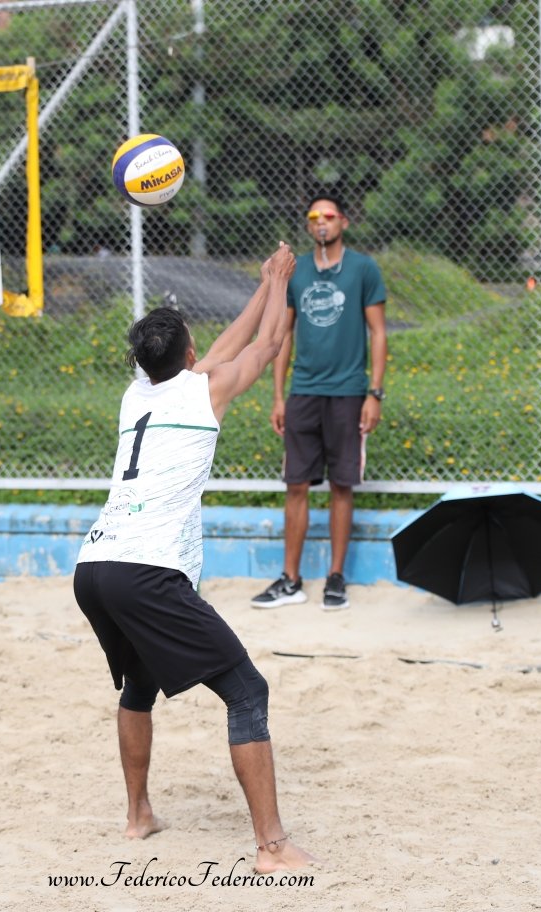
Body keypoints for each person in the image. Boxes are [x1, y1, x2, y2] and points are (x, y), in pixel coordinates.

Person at [73, 241, 316, 874]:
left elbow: (226, 347)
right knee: (247, 690)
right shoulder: (205, 391)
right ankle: (272, 847)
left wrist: (262, 284)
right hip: (146, 572)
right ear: (187, 355)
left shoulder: (138, 394)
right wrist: (280, 283)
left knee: (139, 684)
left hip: (94, 567)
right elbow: (265, 345)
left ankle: (138, 816)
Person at [251, 194, 388, 611]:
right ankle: (290, 579)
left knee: (341, 485)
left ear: (343, 221)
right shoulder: (299, 272)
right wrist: (279, 396)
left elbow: (378, 333)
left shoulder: (363, 269)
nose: (321, 222)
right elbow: (283, 335)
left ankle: (335, 578)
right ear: (309, 225)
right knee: (296, 484)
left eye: (328, 215)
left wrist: (374, 394)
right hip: (304, 392)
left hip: (348, 392)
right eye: (314, 216)